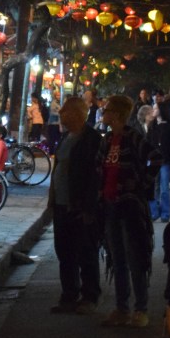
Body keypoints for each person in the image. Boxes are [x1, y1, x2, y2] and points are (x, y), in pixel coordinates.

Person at [97, 95, 161, 328]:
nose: (103, 114)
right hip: (110, 204)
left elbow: (156, 158)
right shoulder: (107, 140)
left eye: (107, 110)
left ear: (116, 114)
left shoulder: (133, 137)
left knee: (135, 257)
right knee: (117, 258)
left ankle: (140, 308)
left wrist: (141, 184)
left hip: (130, 205)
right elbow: (99, 168)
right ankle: (121, 307)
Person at [49, 96, 103, 314]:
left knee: (85, 251)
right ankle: (69, 294)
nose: (61, 115)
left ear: (78, 114)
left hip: (80, 205)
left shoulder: (91, 139)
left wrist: (89, 207)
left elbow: (94, 176)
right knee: (64, 251)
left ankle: (90, 295)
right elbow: (58, 167)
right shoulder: (65, 137)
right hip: (61, 203)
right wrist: (52, 198)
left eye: (66, 111)